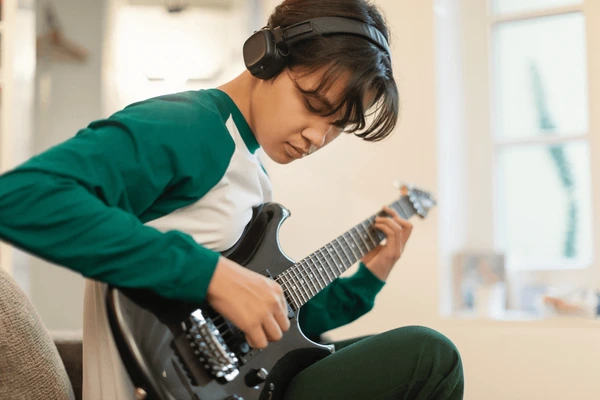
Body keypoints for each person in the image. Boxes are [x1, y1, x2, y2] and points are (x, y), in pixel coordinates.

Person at [0, 0, 464, 398]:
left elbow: (275, 325)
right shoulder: (188, 126)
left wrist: (369, 277)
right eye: (313, 105)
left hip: (238, 382)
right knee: (429, 355)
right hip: (167, 385)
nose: (317, 137)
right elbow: (21, 196)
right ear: (266, 58)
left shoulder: (250, 170)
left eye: (337, 125)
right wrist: (212, 275)